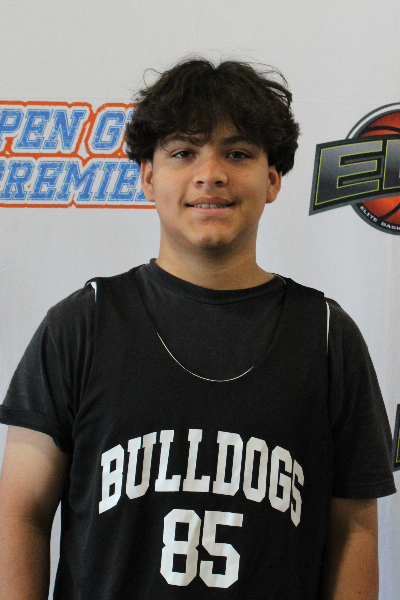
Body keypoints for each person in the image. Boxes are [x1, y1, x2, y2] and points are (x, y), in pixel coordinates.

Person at [0, 58, 396, 600]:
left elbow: (354, 528)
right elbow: (20, 512)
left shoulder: (327, 335)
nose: (210, 173)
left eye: (238, 153)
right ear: (148, 176)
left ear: (273, 178)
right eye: (184, 152)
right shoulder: (82, 323)